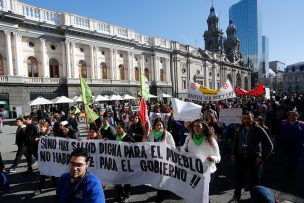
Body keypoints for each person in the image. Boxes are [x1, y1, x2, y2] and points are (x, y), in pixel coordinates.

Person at [230, 111, 274, 202]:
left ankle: (256, 198)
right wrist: (232, 153)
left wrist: (262, 158)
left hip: (254, 159)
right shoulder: (238, 128)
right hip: (241, 158)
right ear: (242, 119)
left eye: (249, 118)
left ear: (252, 118)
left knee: (255, 181)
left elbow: (270, 145)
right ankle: (236, 196)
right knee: (239, 179)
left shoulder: (258, 129)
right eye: (244, 118)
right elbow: (235, 141)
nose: (246, 120)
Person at [144, 117, 175, 202]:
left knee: (162, 178)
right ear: (154, 126)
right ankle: (165, 192)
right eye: (157, 125)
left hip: (165, 160)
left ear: (163, 125)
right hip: (155, 161)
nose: (159, 126)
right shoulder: (151, 134)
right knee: (158, 179)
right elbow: (147, 145)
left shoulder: (167, 134)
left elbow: (172, 146)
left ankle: (159, 197)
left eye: (160, 125)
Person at [33, 121, 57, 196]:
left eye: (41, 127)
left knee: (44, 173)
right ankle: (55, 183)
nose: (40, 129)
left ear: (46, 127)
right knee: (51, 172)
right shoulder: (41, 134)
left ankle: (39, 189)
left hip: (50, 158)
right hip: (45, 157)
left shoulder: (51, 135)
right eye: (39, 127)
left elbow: (53, 146)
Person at [114, 122, 135, 202]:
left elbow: (135, 145)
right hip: (117, 161)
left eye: (119, 128)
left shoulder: (128, 137)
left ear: (124, 129)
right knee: (116, 180)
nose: (117, 129)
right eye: (117, 128)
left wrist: (131, 143)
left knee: (126, 179)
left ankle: (127, 194)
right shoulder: (116, 136)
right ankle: (121, 193)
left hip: (126, 162)